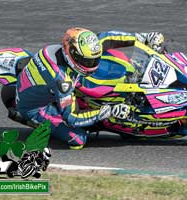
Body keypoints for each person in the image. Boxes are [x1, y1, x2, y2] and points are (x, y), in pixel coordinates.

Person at [15, 28, 165, 150]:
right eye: (87, 61)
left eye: (94, 59)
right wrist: (108, 111)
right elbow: (72, 118)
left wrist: (143, 37)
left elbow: (108, 37)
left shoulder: (77, 47)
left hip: (50, 88)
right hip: (38, 107)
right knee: (79, 139)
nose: (92, 64)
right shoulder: (62, 80)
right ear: (71, 54)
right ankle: (40, 122)